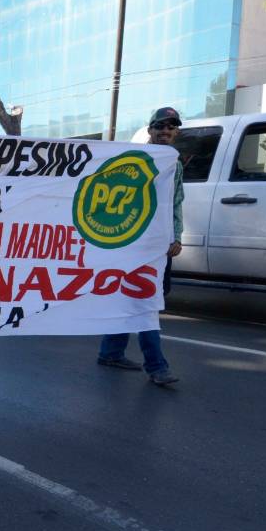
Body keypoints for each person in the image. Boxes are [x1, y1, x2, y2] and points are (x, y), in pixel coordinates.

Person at [97, 106, 184, 387]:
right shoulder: (133, 158)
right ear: (150, 130)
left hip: (160, 245)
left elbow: (176, 202)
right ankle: (156, 366)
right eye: (160, 126)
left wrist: (176, 235)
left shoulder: (175, 163)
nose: (166, 131)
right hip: (133, 243)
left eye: (171, 127)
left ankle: (111, 352)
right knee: (146, 300)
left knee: (132, 297)